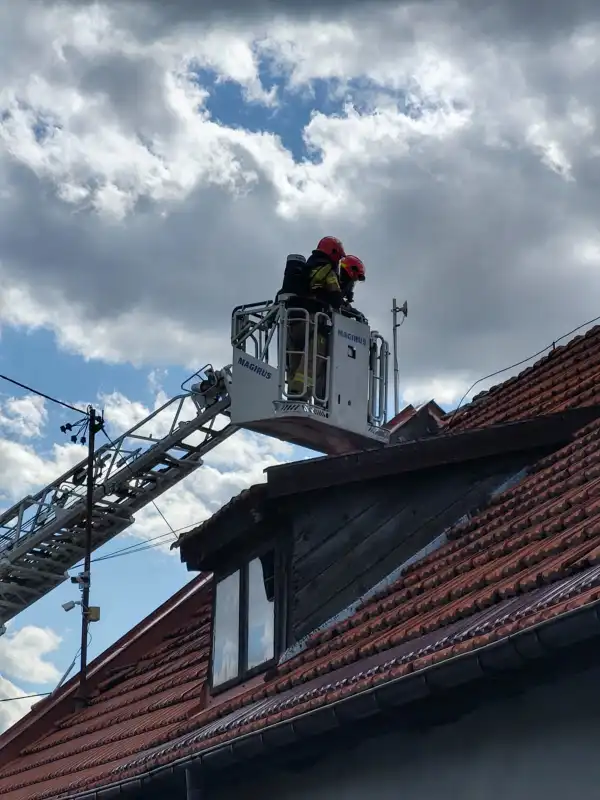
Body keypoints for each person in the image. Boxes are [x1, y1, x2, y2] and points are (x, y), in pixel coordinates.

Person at [287, 236, 346, 401]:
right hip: (313, 321)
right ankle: (300, 395)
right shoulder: (327, 270)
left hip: (294, 320)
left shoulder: (307, 267)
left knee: (295, 358)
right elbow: (335, 298)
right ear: (333, 252)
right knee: (314, 357)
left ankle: (293, 392)